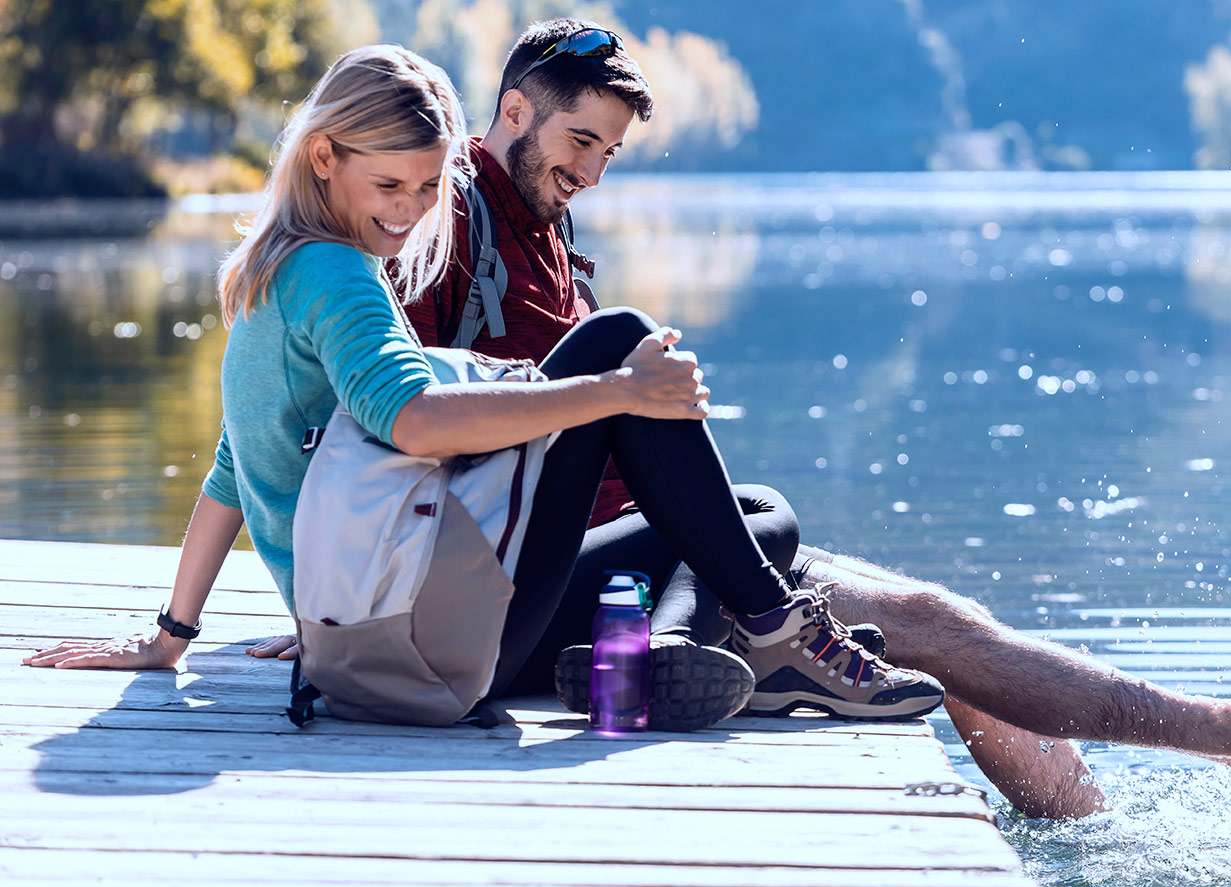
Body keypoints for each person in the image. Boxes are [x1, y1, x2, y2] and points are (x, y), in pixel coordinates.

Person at [383, 18, 1231, 818]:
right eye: (580, 142)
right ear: (515, 110)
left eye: (610, 151)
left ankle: (1097, 830)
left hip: (634, 558)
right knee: (928, 626)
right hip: (527, 583)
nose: (593, 171)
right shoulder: (447, 219)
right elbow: (392, 416)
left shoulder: (543, 225)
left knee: (925, 609)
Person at [22, 44, 945, 737]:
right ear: (323, 159)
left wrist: (173, 635)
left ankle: (693, 643)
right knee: (627, 355)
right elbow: (416, 421)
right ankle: (767, 632)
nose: (410, 211)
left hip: (372, 634)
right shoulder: (337, 275)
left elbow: (234, 468)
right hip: (429, 646)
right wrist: (615, 390)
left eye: (430, 188)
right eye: (390, 184)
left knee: (751, 510)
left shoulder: (270, 272)